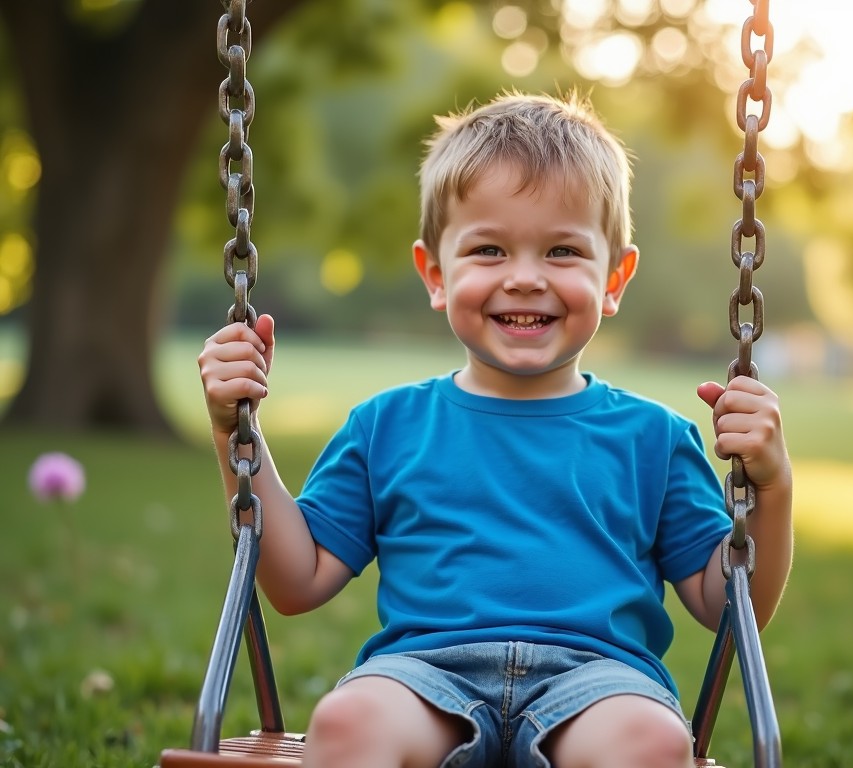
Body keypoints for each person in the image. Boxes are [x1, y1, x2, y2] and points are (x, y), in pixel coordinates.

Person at [199, 90, 793, 768]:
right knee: (349, 720)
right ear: (435, 273)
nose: (524, 278)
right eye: (488, 249)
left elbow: (727, 605)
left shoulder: (654, 439)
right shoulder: (386, 427)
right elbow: (295, 580)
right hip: (425, 678)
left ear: (615, 278)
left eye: (564, 251)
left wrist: (770, 490)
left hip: (598, 686)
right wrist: (234, 435)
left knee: (653, 740)